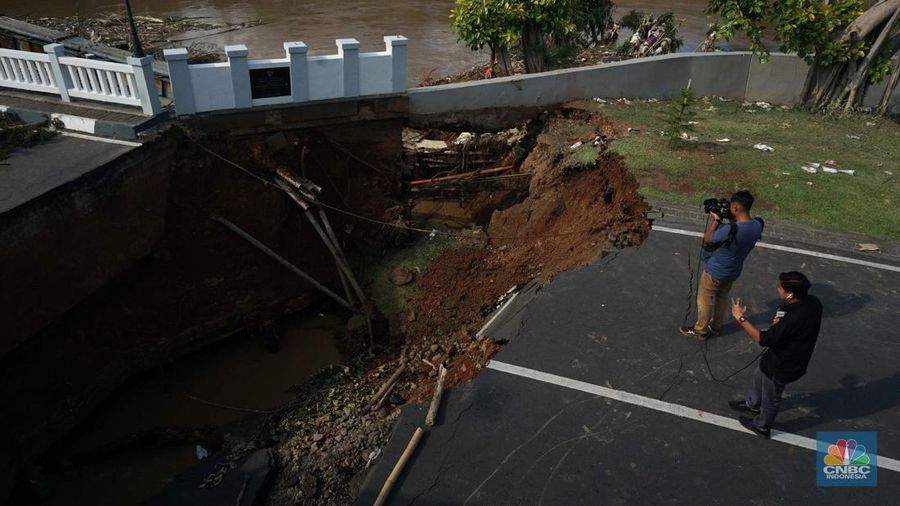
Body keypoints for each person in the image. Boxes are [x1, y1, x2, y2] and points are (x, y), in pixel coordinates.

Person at [729, 271, 823, 438]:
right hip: (782, 355)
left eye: (781, 287)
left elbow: (762, 339)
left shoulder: (793, 319)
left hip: (783, 363)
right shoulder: (812, 302)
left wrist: (740, 318)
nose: (778, 288)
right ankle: (754, 404)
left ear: (791, 293)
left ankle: (762, 425)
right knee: (760, 374)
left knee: (771, 396)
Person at [680, 190, 763, 340]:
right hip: (733, 271)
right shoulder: (757, 225)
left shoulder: (730, 229)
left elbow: (708, 240)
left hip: (715, 270)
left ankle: (700, 330)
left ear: (736, 208)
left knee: (705, 300)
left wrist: (716, 221)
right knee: (722, 297)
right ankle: (716, 326)